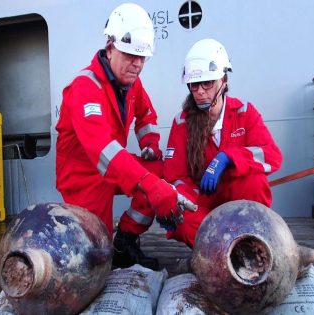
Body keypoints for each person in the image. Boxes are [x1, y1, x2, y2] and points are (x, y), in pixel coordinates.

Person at [55, 3, 182, 270]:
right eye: (130, 55)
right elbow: (101, 149)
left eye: (142, 57)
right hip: (84, 177)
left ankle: (125, 239)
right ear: (110, 47)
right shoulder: (84, 88)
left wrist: (150, 144)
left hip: (115, 166)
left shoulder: (132, 82)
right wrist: (148, 183)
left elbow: (146, 114)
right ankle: (106, 248)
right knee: (96, 255)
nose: (137, 64)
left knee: (160, 170)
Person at [163, 38, 283, 249]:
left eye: (207, 83)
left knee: (255, 182)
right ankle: (228, 251)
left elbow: (271, 156)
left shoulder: (244, 113)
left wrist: (228, 158)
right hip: (202, 201)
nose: (199, 91)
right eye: (193, 84)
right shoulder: (182, 123)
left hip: (238, 198)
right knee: (182, 218)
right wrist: (190, 200)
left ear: (223, 81)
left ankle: (247, 242)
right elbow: (175, 176)